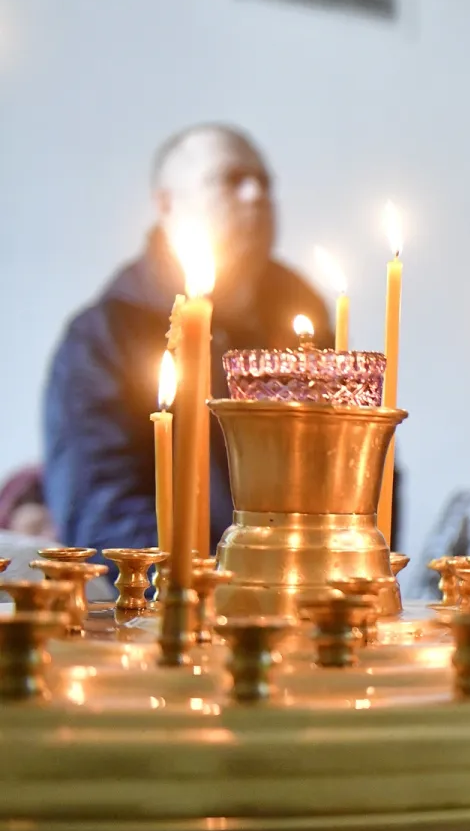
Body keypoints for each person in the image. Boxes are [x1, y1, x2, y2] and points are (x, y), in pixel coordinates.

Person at [42, 123, 332, 561]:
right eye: (231, 179)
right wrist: (217, 586)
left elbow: (355, 463)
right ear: (166, 204)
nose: (257, 195)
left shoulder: (302, 314)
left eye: (265, 182)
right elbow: (102, 512)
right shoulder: (102, 338)